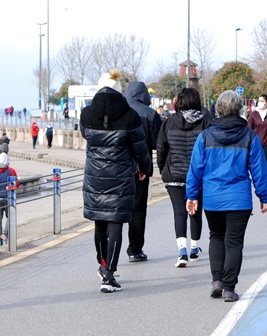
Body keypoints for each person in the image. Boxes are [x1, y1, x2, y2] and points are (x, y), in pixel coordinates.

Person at [185, 90, 267, 302]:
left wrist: (192, 196)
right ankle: (230, 288)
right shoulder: (249, 136)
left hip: (213, 197)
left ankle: (217, 281)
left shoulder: (205, 136)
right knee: (234, 242)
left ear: (218, 109)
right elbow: (258, 168)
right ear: (239, 109)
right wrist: (263, 195)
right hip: (239, 198)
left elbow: (195, 168)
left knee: (216, 236)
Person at [79, 69, 151, 292]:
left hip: (95, 176)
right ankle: (110, 274)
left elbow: (85, 135)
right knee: (116, 223)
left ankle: (102, 264)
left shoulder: (86, 114)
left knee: (99, 222)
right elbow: (140, 149)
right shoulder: (130, 116)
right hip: (121, 177)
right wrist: (144, 168)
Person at [156, 87, 209, 267]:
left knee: (179, 212)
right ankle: (194, 248)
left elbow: (161, 147)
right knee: (195, 211)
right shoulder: (206, 120)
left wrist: (163, 169)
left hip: (174, 174)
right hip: (198, 175)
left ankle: (182, 252)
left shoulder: (169, 121)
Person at [124, 80, 162, 262]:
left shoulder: (120, 110)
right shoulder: (150, 114)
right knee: (138, 209)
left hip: (118, 168)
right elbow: (158, 142)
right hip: (141, 167)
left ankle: (107, 252)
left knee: (113, 209)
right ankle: (135, 249)